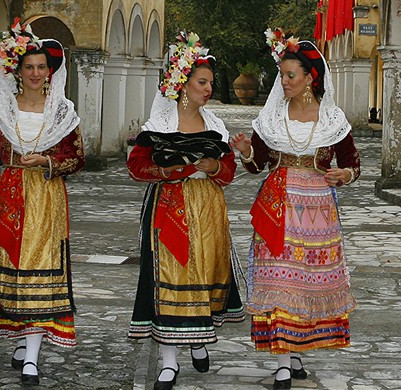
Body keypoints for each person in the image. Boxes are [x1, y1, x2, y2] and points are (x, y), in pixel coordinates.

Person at [229, 29, 361, 390]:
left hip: (317, 213)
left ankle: (297, 350)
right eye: (282, 75)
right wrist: (246, 153)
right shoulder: (271, 119)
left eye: (291, 75)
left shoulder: (332, 119)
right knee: (281, 280)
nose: (284, 82)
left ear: (309, 78)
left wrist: (343, 174)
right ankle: (285, 361)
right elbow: (259, 165)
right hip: (278, 207)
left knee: (306, 285)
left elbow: (353, 162)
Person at [0, 19, 84, 386]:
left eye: (41, 67)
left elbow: (77, 158)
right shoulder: (1, 108)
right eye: (29, 67)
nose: (35, 73)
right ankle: (22, 334)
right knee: (10, 271)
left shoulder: (61, 112)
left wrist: (47, 162)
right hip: (11, 196)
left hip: (46, 198)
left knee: (41, 273)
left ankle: (32, 355)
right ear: (17, 70)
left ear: (50, 72)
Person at [125, 31, 244, 390]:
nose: (207, 89)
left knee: (204, 270)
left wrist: (214, 168)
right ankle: (168, 361)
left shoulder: (215, 126)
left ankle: (197, 336)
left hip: (207, 207)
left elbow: (229, 172)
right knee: (170, 275)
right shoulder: (160, 124)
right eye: (201, 82)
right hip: (169, 205)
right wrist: (166, 169)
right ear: (183, 83)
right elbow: (136, 166)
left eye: (209, 82)